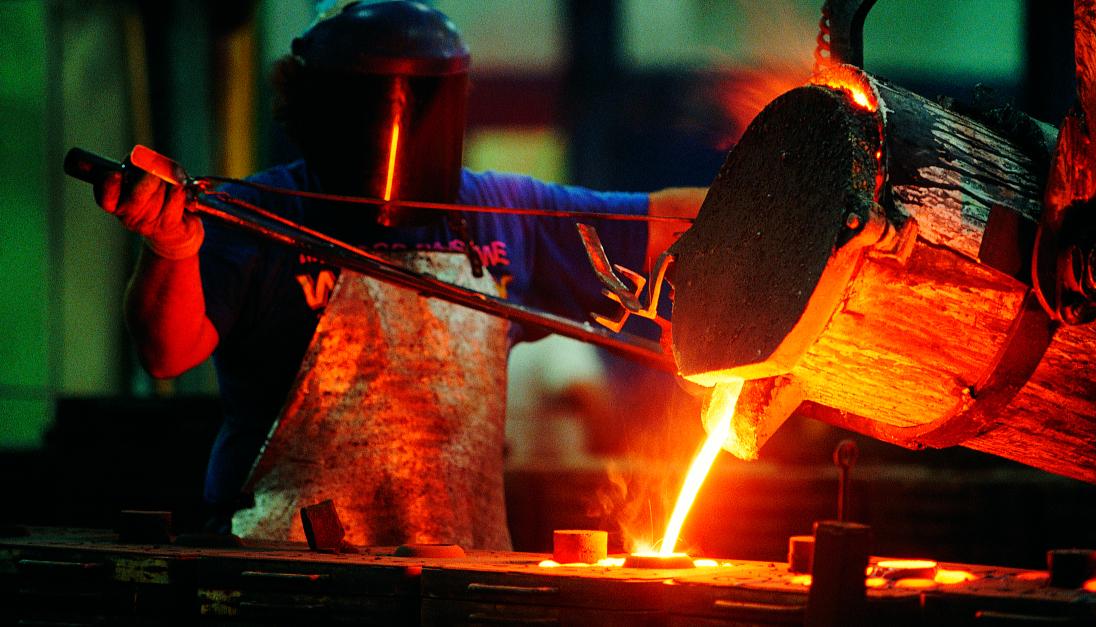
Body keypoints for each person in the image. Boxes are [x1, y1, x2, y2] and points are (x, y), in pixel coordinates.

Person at [92, 0, 703, 542]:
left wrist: (783, 195)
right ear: (313, 107)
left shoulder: (500, 214)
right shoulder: (258, 217)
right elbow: (167, 352)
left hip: (456, 578)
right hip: (278, 572)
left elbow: (667, 223)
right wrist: (171, 245)